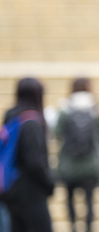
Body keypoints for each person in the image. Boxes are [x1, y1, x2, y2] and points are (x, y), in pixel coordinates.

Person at [55, 77, 99, 232]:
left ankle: (72, 227)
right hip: (90, 164)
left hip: (68, 164)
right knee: (89, 200)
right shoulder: (96, 108)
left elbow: (57, 133)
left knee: (70, 200)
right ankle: (88, 228)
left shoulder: (65, 108)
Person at [3, 77, 55, 232]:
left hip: (11, 189)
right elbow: (34, 162)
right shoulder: (32, 122)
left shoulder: (11, 117)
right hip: (32, 193)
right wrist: (49, 183)